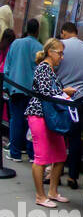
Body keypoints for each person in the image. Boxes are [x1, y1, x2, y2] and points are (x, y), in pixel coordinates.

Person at [27, 38, 70, 208]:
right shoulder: (44, 68)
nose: (62, 57)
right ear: (50, 52)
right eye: (59, 53)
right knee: (41, 157)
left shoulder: (50, 69)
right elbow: (46, 92)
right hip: (39, 115)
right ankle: (40, 195)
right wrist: (64, 91)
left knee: (60, 155)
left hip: (50, 116)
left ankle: (52, 191)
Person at [55, 22, 83, 191]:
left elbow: (53, 69)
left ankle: (53, 174)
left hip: (61, 95)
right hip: (81, 96)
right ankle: (72, 175)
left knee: (57, 135)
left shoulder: (59, 46)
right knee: (77, 137)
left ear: (64, 32)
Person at [5, 19, 42, 163]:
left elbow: (8, 65)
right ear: (37, 31)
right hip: (32, 91)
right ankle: (30, 152)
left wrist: (6, 87)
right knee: (31, 121)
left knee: (16, 119)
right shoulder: (39, 47)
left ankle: (15, 152)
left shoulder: (16, 43)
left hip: (15, 87)